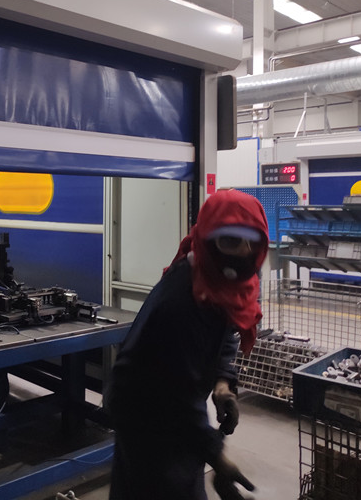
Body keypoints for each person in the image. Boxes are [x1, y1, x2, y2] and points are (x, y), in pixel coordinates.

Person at [106, 188, 269, 500]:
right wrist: (217, 456)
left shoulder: (221, 282)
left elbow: (226, 330)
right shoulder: (181, 301)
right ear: (208, 240)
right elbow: (172, 398)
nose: (244, 252)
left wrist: (222, 382)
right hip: (143, 412)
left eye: (253, 242)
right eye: (231, 240)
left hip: (179, 409)